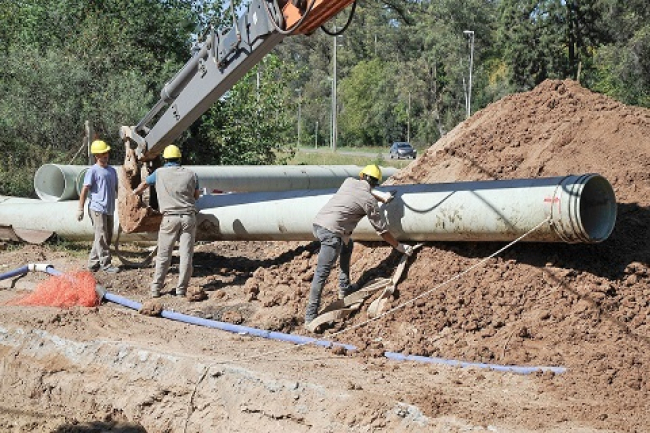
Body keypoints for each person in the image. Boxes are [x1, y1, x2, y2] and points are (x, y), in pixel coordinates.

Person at [305, 164, 413, 325]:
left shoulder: (348, 181)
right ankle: (310, 316)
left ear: (362, 176)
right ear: (376, 183)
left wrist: (382, 198)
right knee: (322, 273)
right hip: (332, 233)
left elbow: (362, 191)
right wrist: (399, 246)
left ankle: (344, 287)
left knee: (347, 245)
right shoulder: (369, 200)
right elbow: (382, 231)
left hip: (319, 224)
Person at [133, 144, 200, 298]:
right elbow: (196, 196)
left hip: (170, 218)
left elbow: (144, 184)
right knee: (186, 255)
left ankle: (155, 290)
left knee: (164, 255)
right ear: (179, 158)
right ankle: (181, 290)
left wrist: (134, 193)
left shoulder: (160, 173)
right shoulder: (191, 174)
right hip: (188, 218)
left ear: (165, 159)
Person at [77, 139, 120, 273]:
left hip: (109, 208)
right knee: (101, 236)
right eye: (102, 153)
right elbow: (85, 189)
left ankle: (92, 263)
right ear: (96, 156)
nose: (106, 155)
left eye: (106, 152)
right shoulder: (93, 171)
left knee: (106, 237)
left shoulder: (112, 171)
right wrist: (80, 208)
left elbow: (117, 189)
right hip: (97, 208)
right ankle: (106, 265)